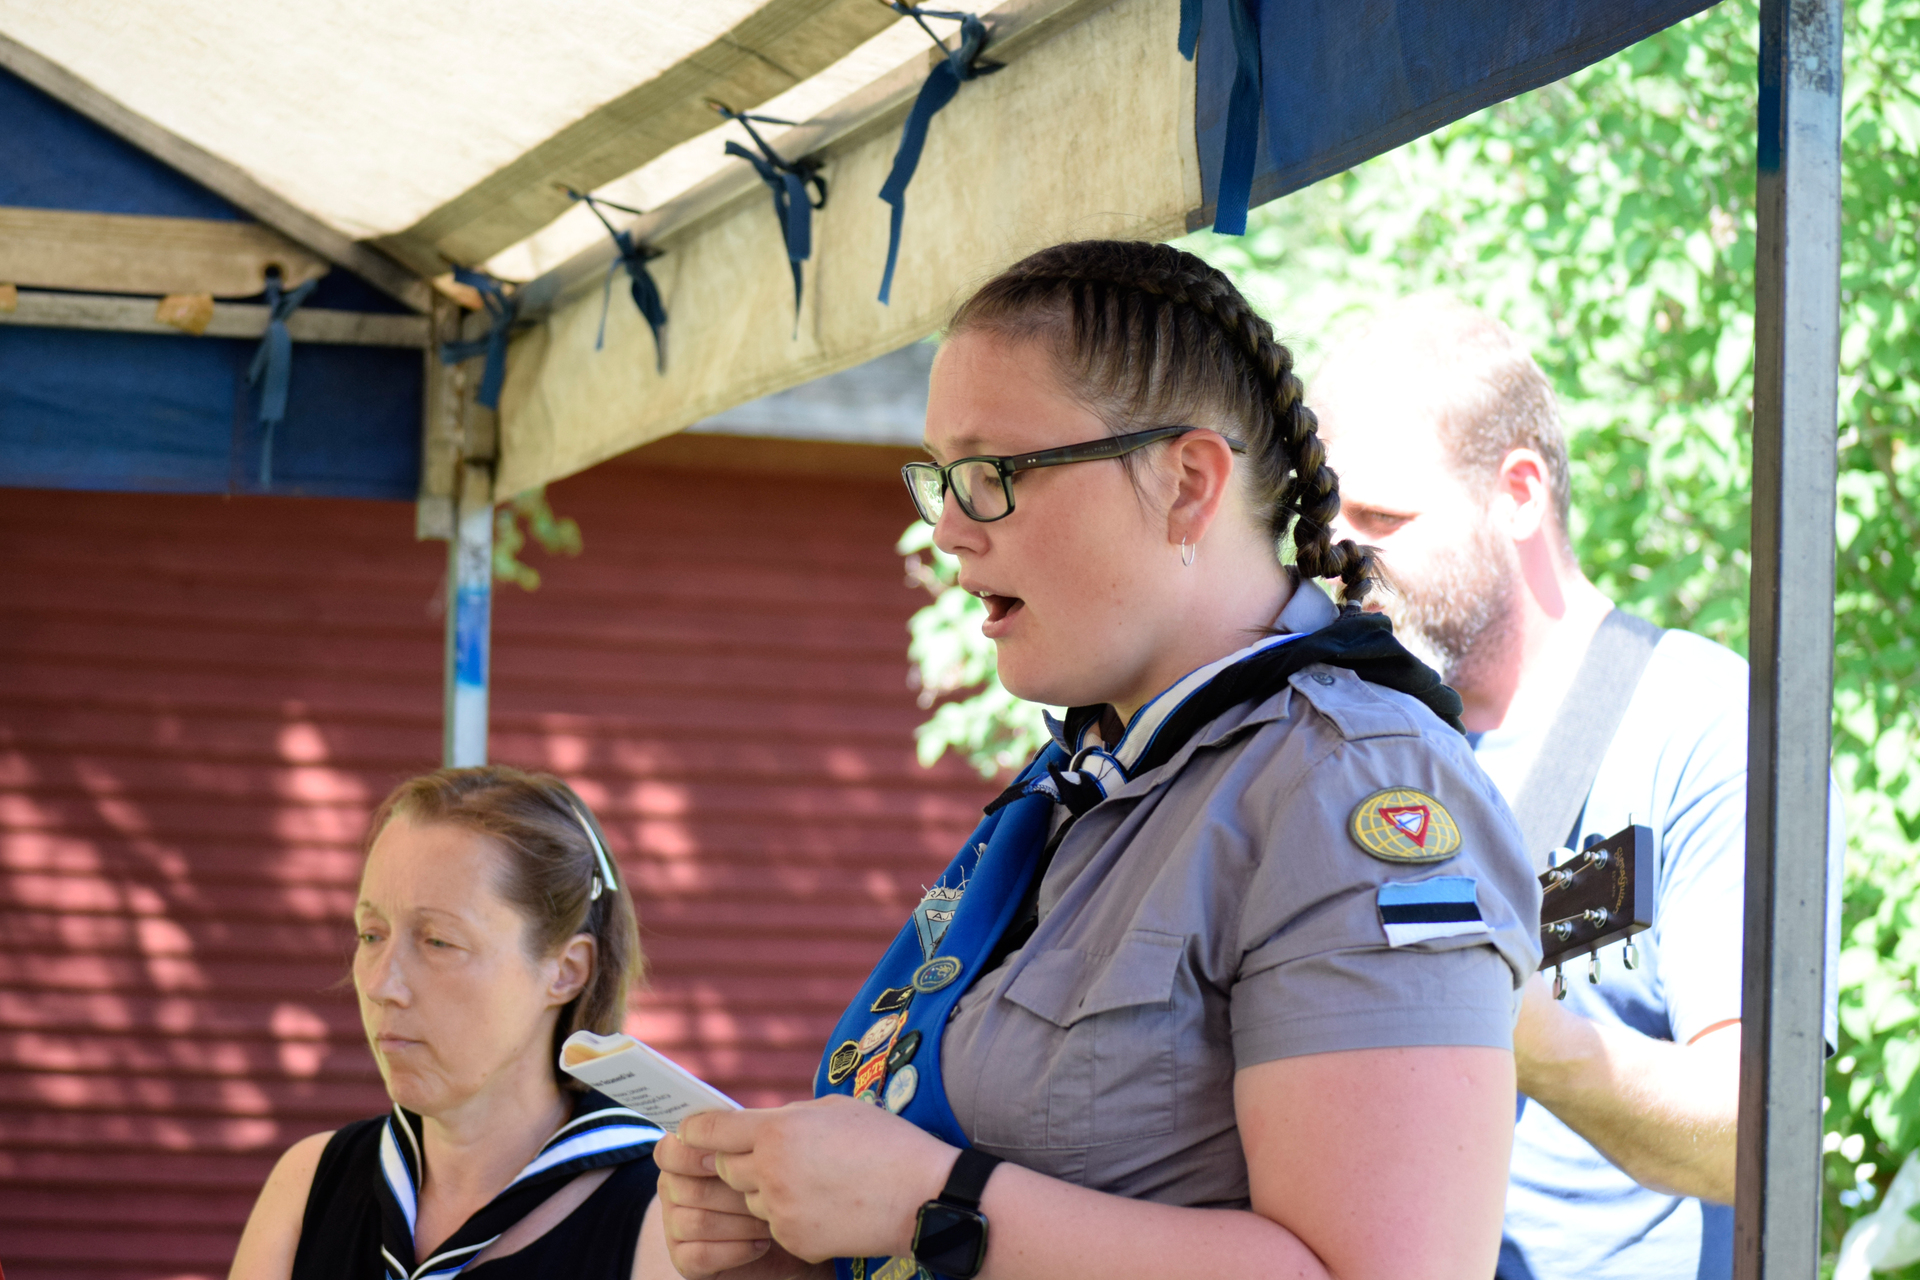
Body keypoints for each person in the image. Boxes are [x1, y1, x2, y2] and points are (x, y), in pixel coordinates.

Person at [646, 240, 1542, 1280]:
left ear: (1187, 485)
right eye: (941, 477)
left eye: (994, 475)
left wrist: (932, 1205)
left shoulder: (1354, 783)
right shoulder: (1084, 779)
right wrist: (798, 1236)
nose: (948, 529)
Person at [1313, 296, 1843, 1280]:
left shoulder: (1706, 722)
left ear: (1519, 492)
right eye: (1327, 523)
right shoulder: (1351, 742)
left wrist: (1513, 1022)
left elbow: (1759, 1134)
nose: (1343, 559)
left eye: (1382, 519)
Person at [229, 766, 667, 1280]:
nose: (381, 985)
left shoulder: (668, 1222)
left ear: (567, 971)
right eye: (371, 934)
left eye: (439, 941)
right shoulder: (308, 1189)